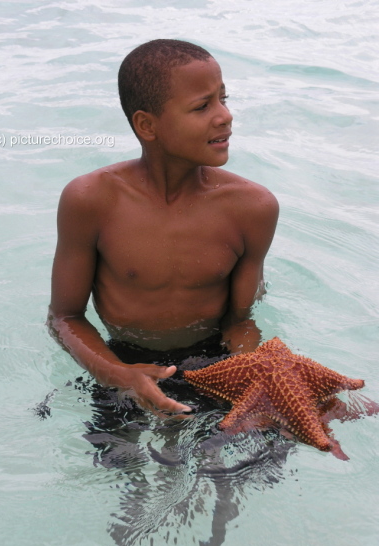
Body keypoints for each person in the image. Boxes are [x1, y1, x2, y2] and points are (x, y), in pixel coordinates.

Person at [47, 39, 279, 418]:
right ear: (147, 125)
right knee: (124, 470)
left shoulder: (253, 208)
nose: (225, 116)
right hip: (122, 360)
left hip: (213, 360)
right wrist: (117, 374)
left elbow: (240, 322)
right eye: (203, 106)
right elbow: (65, 317)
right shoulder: (91, 200)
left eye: (224, 98)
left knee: (237, 468)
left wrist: (258, 379)